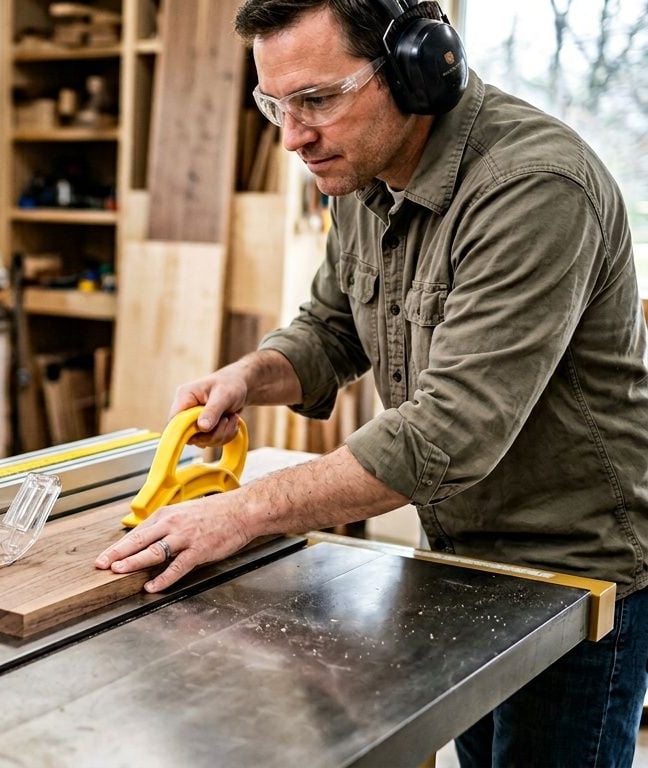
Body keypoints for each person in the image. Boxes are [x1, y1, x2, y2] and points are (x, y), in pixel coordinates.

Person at [94, 0, 648, 764]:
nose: (293, 137)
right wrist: (250, 376)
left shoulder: (535, 187)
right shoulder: (362, 177)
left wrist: (244, 511)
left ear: (418, 68)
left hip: (575, 568)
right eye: (276, 105)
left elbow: (452, 431)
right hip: (458, 553)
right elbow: (332, 328)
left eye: (317, 99)